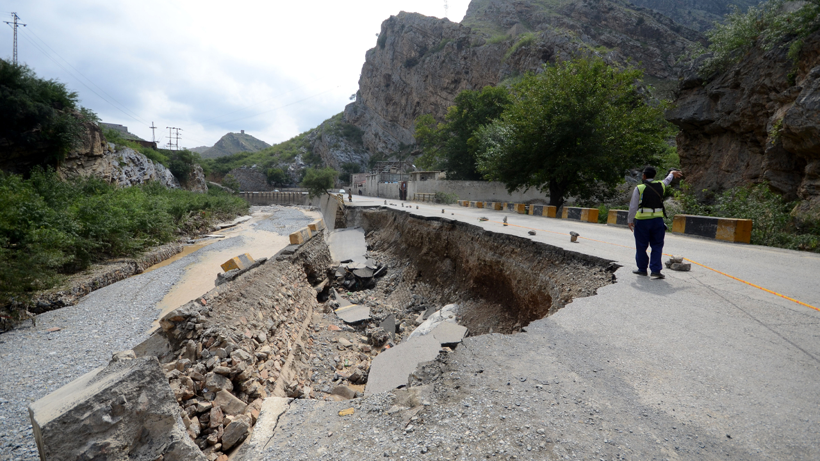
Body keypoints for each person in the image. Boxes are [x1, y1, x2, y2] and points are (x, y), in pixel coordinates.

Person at [627, 166, 683, 279]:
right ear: (654, 176)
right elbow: (667, 180)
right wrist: (672, 173)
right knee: (657, 246)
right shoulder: (661, 185)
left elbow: (633, 206)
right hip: (657, 221)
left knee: (641, 246)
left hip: (642, 222)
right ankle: (656, 270)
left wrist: (630, 220)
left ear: (643, 176)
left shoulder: (639, 188)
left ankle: (642, 269)